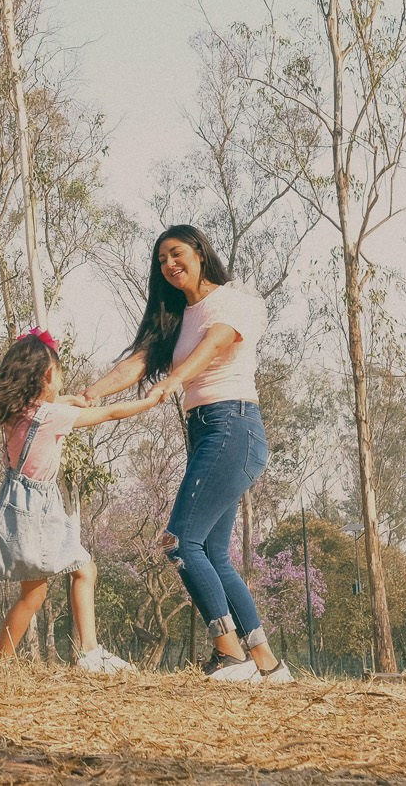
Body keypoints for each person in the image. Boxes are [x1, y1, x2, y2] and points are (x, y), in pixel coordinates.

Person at [77, 224, 293, 683]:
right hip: (205, 432)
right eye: (161, 261)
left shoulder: (232, 299)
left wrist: (175, 381)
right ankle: (267, 664)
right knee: (213, 552)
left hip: (233, 424)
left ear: (199, 252)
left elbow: (217, 341)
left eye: (176, 254)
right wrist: (91, 393)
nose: (170, 265)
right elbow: (137, 361)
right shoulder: (175, 316)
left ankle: (229, 656)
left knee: (179, 542)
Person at [0, 327, 164, 672]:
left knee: (39, 592)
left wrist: (70, 400)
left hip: (19, 503)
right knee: (81, 571)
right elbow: (109, 414)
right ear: (49, 375)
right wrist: (149, 401)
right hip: (38, 510)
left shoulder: (16, 410)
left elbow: (45, 406)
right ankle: (88, 653)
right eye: (60, 374)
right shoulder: (50, 417)